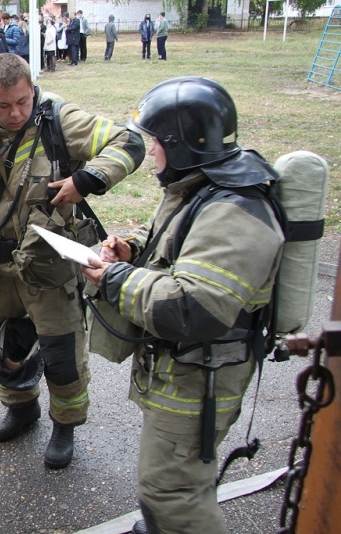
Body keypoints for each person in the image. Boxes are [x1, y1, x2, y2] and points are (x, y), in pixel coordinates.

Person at [81, 77, 284, 534]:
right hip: (185, 372)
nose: (150, 153)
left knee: (170, 490)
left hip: (201, 377)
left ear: (183, 145)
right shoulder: (199, 186)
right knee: (180, 479)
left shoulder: (235, 212)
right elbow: (172, 243)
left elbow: (194, 307)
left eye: (156, 143)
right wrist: (130, 250)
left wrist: (114, 279)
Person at [0, 53, 144, 469]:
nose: (16, 112)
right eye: (3, 105)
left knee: (61, 352)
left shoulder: (59, 120)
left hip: (49, 265)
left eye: (23, 100)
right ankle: (21, 408)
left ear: (31, 89)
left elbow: (130, 142)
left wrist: (85, 179)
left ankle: (64, 424)